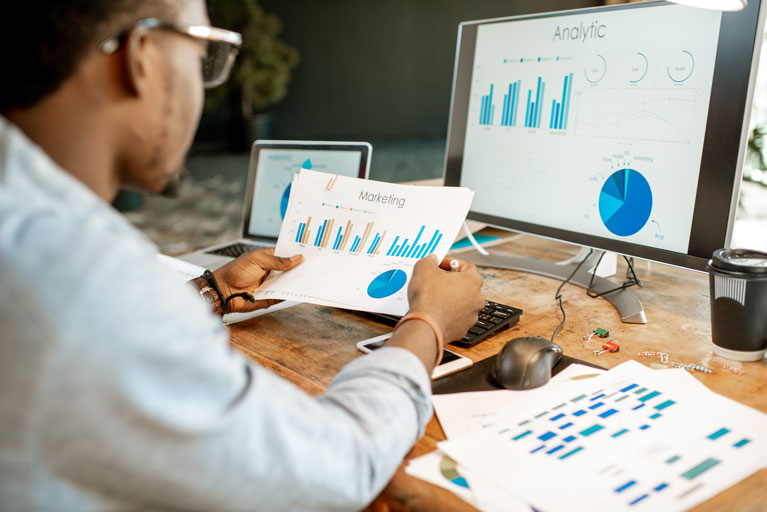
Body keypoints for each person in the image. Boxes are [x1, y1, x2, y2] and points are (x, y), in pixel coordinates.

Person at [0, 1, 485, 510]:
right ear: (143, 57)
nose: (204, 84)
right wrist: (428, 322)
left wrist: (209, 292)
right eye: (205, 55)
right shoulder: (80, 274)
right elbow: (333, 469)